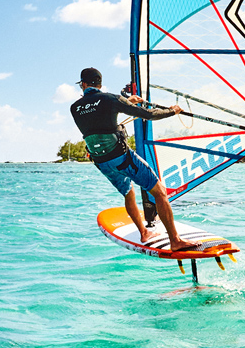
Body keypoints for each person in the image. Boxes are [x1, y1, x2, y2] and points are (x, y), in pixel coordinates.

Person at [70, 67, 200, 251]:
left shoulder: (74, 108)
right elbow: (149, 115)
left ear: (83, 84)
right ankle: (175, 241)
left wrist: (126, 102)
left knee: (128, 192)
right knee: (160, 192)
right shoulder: (111, 99)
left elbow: (98, 117)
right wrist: (172, 111)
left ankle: (144, 232)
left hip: (101, 163)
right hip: (122, 158)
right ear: (100, 83)